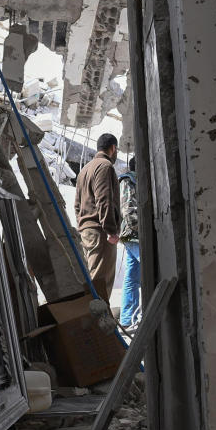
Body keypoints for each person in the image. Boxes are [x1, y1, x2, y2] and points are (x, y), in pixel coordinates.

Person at [74, 133, 121, 301]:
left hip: (88, 231)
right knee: (101, 282)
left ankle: (95, 321)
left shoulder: (84, 170)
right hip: (100, 232)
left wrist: (83, 226)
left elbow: (77, 206)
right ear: (113, 148)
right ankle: (100, 324)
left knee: (94, 277)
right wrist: (111, 230)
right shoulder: (105, 166)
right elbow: (104, 199)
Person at [118, 156, 140, 331]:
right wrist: (141, 229)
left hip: (133, 235)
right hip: (134, 235)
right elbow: (129, 209)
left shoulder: (132, 180)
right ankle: (134, 316)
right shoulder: (129, 180)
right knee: (146, 273)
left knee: (132, 277)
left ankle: (127, 318)